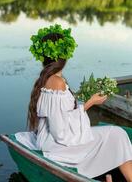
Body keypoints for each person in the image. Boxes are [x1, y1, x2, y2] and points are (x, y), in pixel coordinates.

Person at [16, 24, 132, 181]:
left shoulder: (47, 78)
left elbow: (61, 113)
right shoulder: (57, 82)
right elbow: (60, 130)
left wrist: (85, 100)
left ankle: (109, 176)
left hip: (53, 141)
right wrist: (91, 102)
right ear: (63, 56)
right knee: (117, 134)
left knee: (116, 134)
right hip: (57, 146)